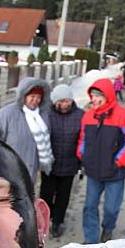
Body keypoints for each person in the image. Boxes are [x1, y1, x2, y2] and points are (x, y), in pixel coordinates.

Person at [77, 78, 125, 244]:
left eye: (97, 96)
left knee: (111, 209)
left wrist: (118, 162)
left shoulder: (124, 117)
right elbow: (83, 139)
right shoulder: (88, 116)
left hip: (115, 173)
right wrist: (82, 155)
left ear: (107, 96)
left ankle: (108, 227)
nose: (92, 100)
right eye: (91, 96)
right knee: (90, 207)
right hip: (93, 171)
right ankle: (91, 240)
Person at [0, 77, 54, 185]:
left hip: (31, 170)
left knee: (26, 196)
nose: (35, 101)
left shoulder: (42, 115)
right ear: (24, 96)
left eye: (39, 97)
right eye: (32, 96)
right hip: (10, 168)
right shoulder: (8, 113)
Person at [42, 84, 84, 239]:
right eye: (61, 101)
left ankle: (57, 222)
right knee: (46, 195)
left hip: (70, 164)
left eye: (67, 101)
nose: (65, 104)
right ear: (54, 102)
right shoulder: (46, 114)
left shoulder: (80, 115)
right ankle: (45, 220)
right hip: (49, 164)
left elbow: (84, 139)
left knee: (63, 195)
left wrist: (82, 162)